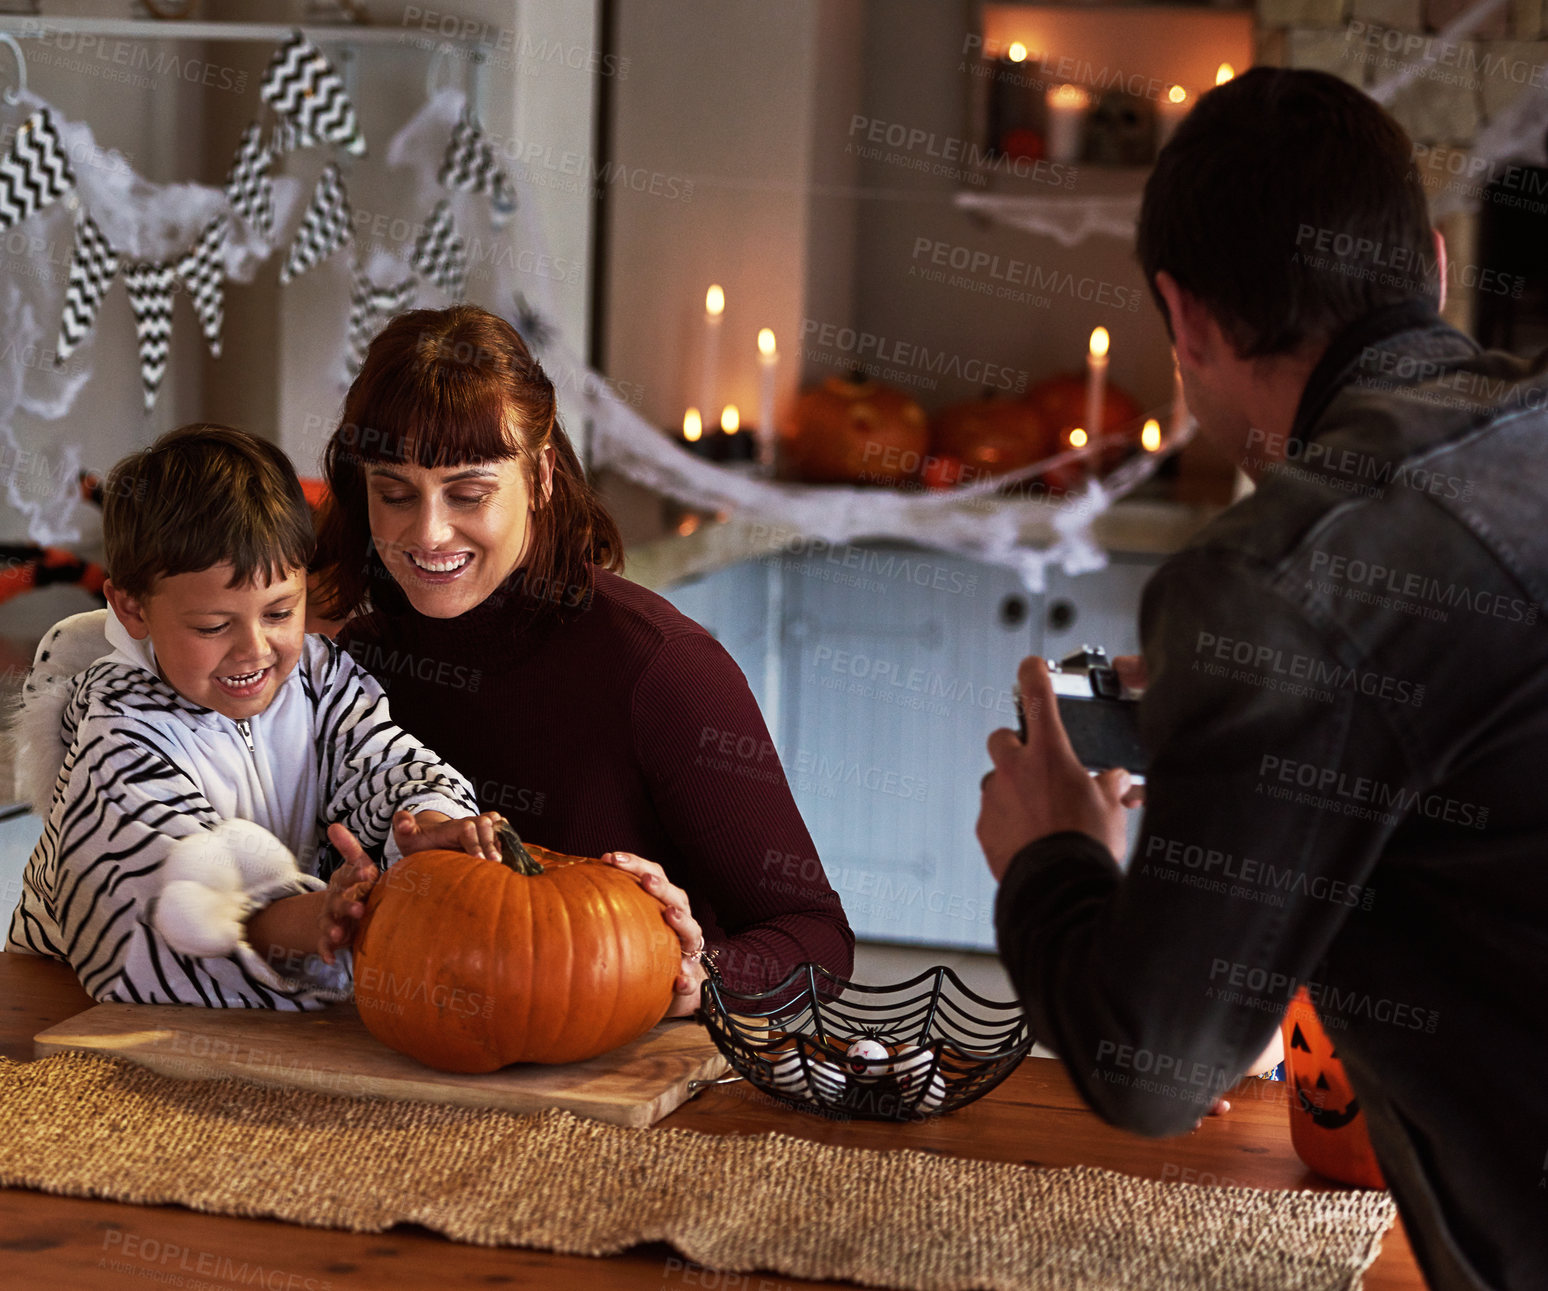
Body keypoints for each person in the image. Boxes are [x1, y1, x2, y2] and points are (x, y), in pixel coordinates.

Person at [977, 68, 1546, 1291]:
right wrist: (1228, 722)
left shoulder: (1270, 580)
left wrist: (1050, 856)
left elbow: (1156, 1065)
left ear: (1184, 324)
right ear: (1433, 269)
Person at [312, 306, 853, 1013]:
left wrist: (697, 971)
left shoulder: (663, 670)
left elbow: (819, 942)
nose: (429, 530)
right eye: (395, 493)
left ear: (538, 476)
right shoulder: (356, 665)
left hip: (625, 1081)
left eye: (468, 493)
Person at [5, 425, 504, 1008]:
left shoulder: (320, 677)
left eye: (279, 612)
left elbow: (384, 761)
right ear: (132, 608)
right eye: (213, 626)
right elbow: (161, 896)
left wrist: (425, 822)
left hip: (283, 984)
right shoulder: (116, 730)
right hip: (61, 1007)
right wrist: (309, 919)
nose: (253, 650)